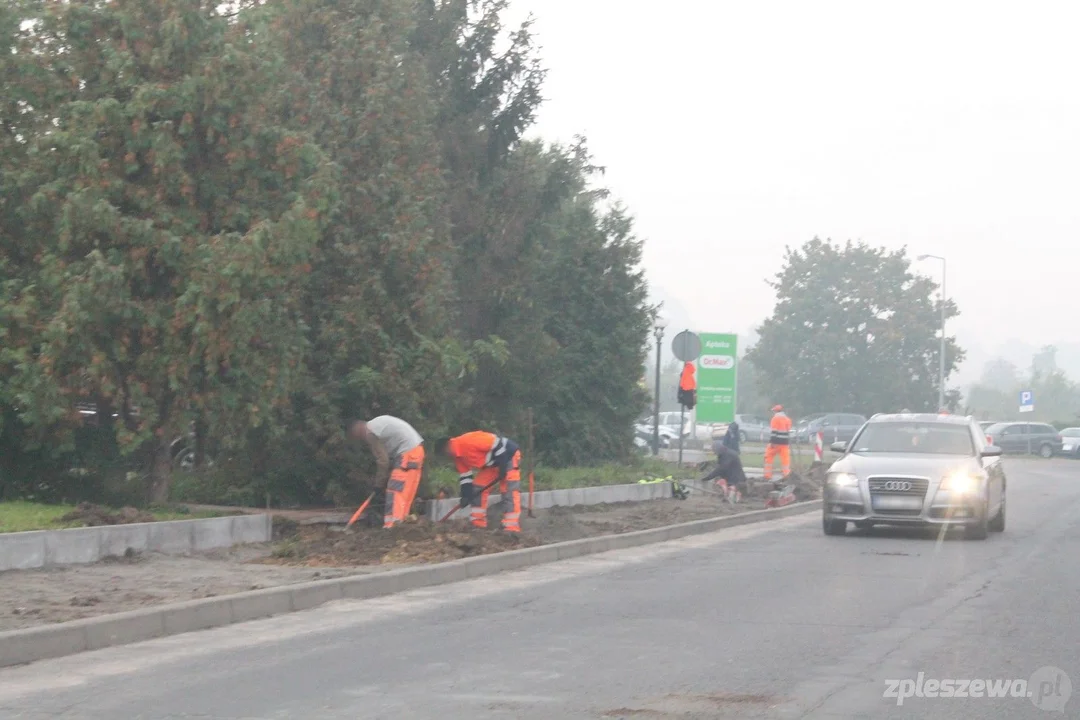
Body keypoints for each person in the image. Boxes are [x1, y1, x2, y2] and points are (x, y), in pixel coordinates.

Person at [435, 431, 522, 533]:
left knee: (509, 491)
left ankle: (511, 527)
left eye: (445, 454)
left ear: (447, 447)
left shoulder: (469, 441)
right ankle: (478, 523)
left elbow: (498, 444)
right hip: (493, 464)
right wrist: (465, 496)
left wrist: (503, 467)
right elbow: (466, 477)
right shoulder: (458, 458)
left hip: (508, 456)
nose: (447, 457)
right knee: (477, 488)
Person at [348, 416, 425, 528]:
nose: (362, 440)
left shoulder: (370, 433)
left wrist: (378, 485)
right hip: (416, 452)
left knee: (395, 490)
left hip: (407, 454)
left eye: (358, 437)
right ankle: (401, 524)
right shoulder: (377, 425)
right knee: (405, 493)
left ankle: (392, 526)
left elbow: (383, 461)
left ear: (358, 430)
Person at [764, 404, 792, 483]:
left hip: (776, 442)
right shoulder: (788, 419)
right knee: (785, 460)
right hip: (785, 443)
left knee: (768, 456)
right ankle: (786, 475)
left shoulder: (775, 419)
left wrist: (772, 442)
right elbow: (787, 432)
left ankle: (767, 476)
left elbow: (774, 432)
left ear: (776, 411)